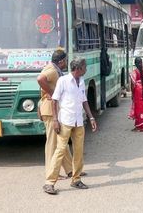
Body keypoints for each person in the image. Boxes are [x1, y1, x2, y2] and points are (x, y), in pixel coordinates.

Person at [43, 58, 98, 195]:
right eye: (84, 67)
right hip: (65, 121)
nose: (86, 70)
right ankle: (49, 182)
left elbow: (84, 100)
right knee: (60, 150)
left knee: (78, 151)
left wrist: (91, 117)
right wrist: (55, 120)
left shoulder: (81, 81)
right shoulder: (63, 81)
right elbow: (54, 101)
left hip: (78, 121)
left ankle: (76, 179)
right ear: (78, 68)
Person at [37, 49, 73, 179]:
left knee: (62, 141)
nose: (66, 63)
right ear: (61, 61)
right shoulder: (52, 70)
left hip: (55, 110)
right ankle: (52, 173)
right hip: (50, 110)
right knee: (52, 143)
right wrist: (52, 93)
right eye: (66, 60)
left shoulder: (55, 69)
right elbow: (40, 79)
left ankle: (70, 170)